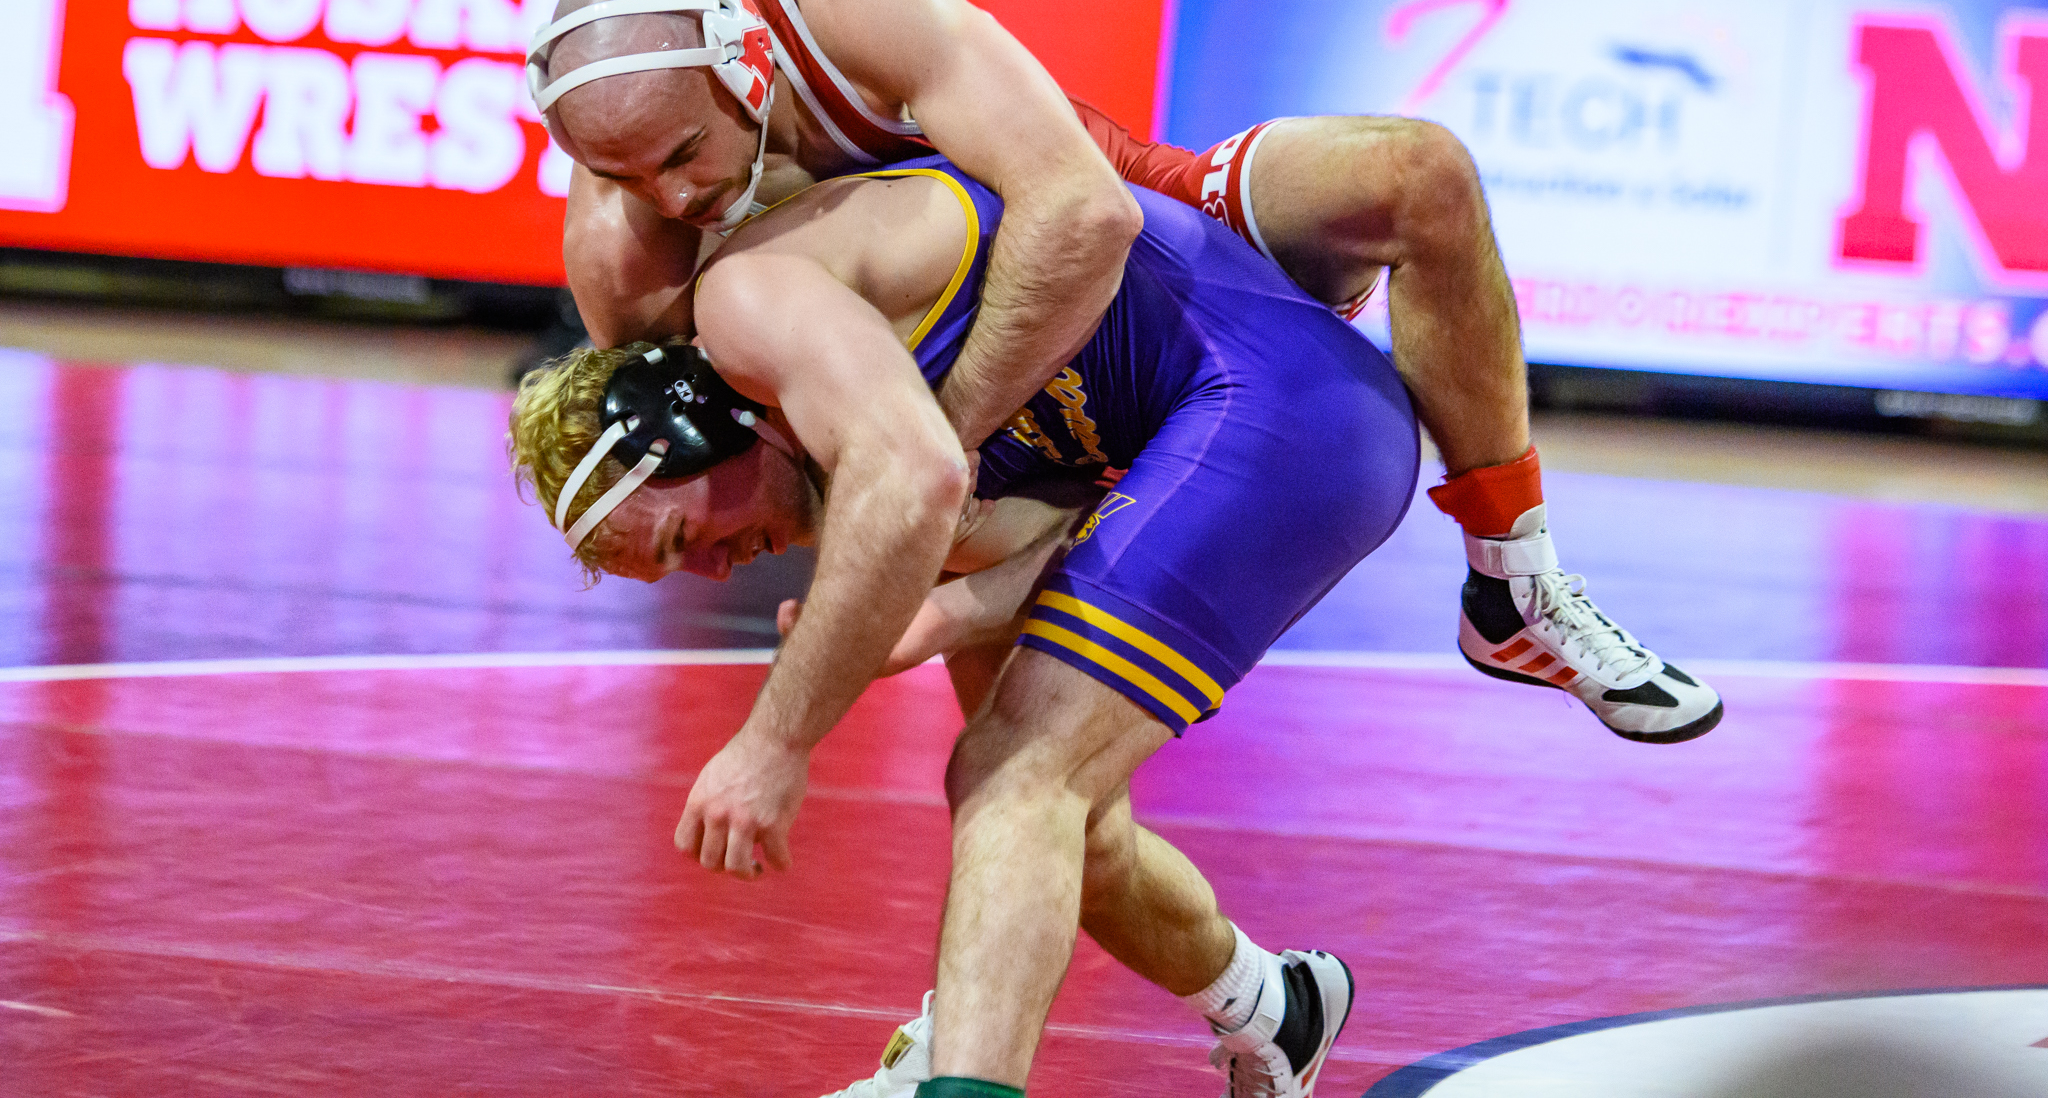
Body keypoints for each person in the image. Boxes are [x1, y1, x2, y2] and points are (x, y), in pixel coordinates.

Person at [542, 0, 1723, 747]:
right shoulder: (621, 259)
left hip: (1105, 257)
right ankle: (1148, 1010)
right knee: (1021, 763)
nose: (671, 194)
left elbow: (1078, 209)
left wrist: (942, 446)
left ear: (741, 63)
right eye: (618, 174)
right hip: (952, 417)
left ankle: (1513, 586)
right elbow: (762, 463)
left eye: (683, 153)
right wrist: (930, 497)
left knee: (1417, 179)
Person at [510, 150, 1424, 1095]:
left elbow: (940, 484)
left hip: (1280, 397)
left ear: (690, 430)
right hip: (1190, 432)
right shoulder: (843, 449)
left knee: (1013, 776)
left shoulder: (763, 313)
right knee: (1080, 832)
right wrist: (947, 613)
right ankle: (1273, 1004)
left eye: (676, 541)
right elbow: (1054, 539)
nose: (709, 569)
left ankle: (957, 1073)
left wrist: (775, 741)